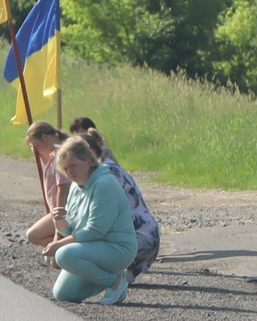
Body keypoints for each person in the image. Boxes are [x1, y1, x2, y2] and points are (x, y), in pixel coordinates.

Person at [41, 133, 138, 305]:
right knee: (62, 294)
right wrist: (60, 223)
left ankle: (115, 283)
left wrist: (58, 244)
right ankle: (109, 275)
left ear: (88, 160)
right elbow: (72, 229)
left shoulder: (104, 184)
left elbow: (96, 230)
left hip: (118, 249)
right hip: (93, 248)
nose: (70, 172)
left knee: (63, 254)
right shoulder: (76, 186)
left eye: (73, 165)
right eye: (65, 168)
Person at [68, 117, 161, 280]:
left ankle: (114, 280)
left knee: (81, 258)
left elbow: (98, 224)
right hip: (145, 237)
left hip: (137, 240)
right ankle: (117, 279)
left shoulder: (105, 174)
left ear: (89, 153)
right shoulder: (105, 167)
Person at [23, 121, 71, 248]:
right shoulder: (56, 155)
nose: (37, 149)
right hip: (56, 210)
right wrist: (40, 153)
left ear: (45, 137)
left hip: (62, 211)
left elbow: (63, 187)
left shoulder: (60, 157)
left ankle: (65, 246)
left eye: (38, 146)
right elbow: (51, 170)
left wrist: (59, 218)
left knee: (33, 235)